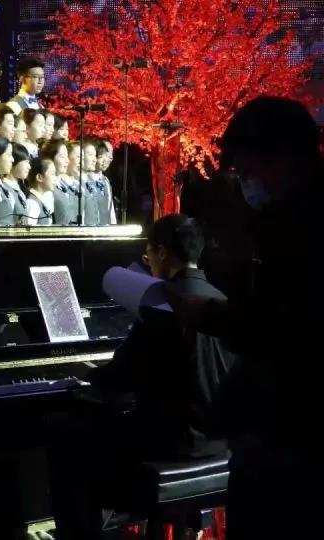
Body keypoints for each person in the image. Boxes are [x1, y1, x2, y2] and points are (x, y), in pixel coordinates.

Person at [169, 97, 323, 540]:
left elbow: (282, 327)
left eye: (247, 171)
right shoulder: (283, 221)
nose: (246, 184)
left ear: (283, 157)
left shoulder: (298, 230)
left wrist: (210, 316)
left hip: (289, 440)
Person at [50, 214, 236, 540]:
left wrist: (84, 373)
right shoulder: (221, 301)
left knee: (66, 434)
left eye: (148, 253)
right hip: (216, 443)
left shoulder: (161, 302)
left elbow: (120, 377)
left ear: (162, 252)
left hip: (171, 445)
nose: (147, 261)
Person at [40, 139, 74, 225]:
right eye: (62, 157)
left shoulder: (64, 185)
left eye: (67, 156)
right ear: (51, 159)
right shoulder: (47, 188)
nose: (67, 161)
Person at [92, 139, 116, 225]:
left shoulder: (105, 181)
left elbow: (110, 209)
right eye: (106, 154)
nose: (110, 158)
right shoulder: (84, 179)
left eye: (111, 154)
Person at [24, 158, 55, 225]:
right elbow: (28, 230)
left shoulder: (41, 200)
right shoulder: (32, 203)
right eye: (52, 174)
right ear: (39, 177)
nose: (55, 178)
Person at [6, 142, 31, 224]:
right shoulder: (6, 189)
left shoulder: (19, 189)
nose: (29, 167)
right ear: (14, 161)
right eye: (26, 162)